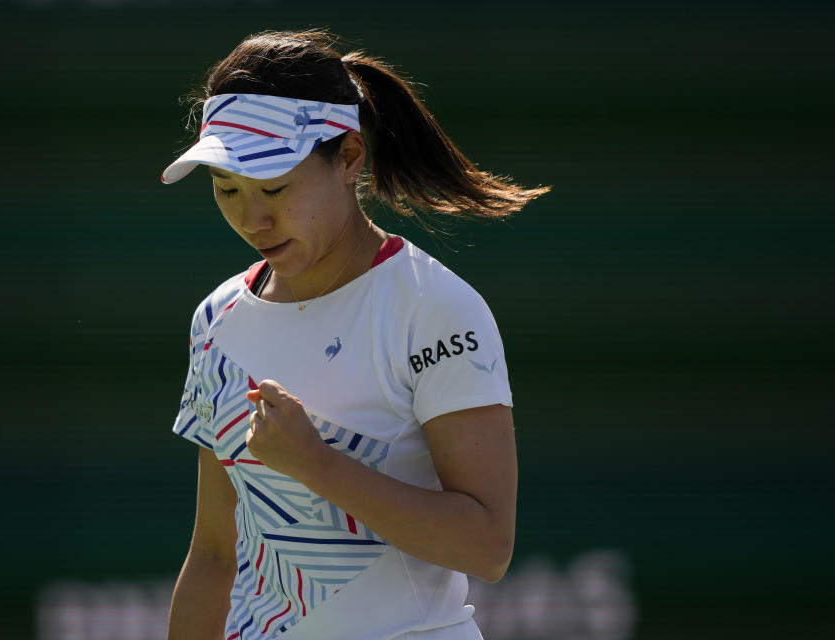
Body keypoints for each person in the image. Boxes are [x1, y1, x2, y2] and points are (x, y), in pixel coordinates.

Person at [161, 29, 549, 640]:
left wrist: (317, 465)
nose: (252, 218)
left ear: (347, 157)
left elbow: (487, 546)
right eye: (227, 189)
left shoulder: (434, 308)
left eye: (275, 188)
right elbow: (214, 554)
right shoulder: (217, 320)